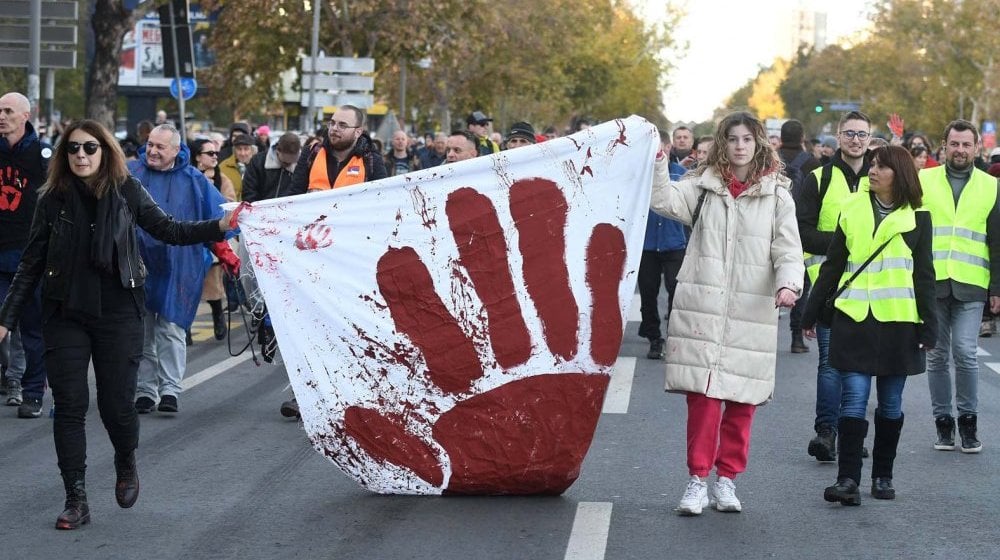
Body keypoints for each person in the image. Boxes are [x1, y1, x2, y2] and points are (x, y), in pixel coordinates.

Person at [0, 119, 236, 530]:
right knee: (69, 407)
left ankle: (125, 459)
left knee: (116, 406)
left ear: (104, 151)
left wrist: (217, 227)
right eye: (73, 149)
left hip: (119, 312)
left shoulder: (126, 191)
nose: (81, 156)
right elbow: (31, 263)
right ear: (63, 155)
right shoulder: (51, 198)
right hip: (65, 313)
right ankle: (76, 498)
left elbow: (169, 229)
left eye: (90, 148)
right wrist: (5, 319)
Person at [650, 111, 803, 515]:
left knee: (741, 401)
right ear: (722, 143)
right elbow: (662, 199)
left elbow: (788, 249)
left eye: (746, 139)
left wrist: (789, 283)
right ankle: (697, 480)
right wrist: (657, 165)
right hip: (703, 305)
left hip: (751, 309)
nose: (739, 146)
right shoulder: (701, 188)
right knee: (702, 398)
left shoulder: (777, 196)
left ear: (758, 144)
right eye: (732, 139)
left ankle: (727, 480)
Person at [802, 145, 937, 506]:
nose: (872, 171)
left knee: (890, 405)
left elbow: (924, 276)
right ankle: (847, 480)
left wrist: (929, 327)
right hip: (854, 318)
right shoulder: (852, 207)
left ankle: (882, 476)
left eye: (881, 166)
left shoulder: (918, 217)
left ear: (900, 174)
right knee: (854, 399)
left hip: (899, 322)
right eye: (872, 165)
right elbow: (833, 264)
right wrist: (811, 311)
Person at [128, 124, 239, 415]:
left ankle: (169, 389)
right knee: (142, 330)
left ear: (176, 150)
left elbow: (219, 218)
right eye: (150, 144)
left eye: (160, 147)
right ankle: (145, 389)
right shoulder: (131, 174)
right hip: (137, 262)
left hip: (179, 264)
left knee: (171, 327)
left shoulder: (193, 181)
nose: (152, 150)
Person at [796, 111, 872, 462]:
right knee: (829, 363)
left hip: (873, 289)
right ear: (837, 137)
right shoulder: (817, 179)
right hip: (827, 286)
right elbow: (803, 231)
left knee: (860, 364)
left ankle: (852, 432)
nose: (856, 140)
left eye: (862, 134)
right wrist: (845, 243)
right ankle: (826, 432)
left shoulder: (881, 176)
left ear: (870, 139)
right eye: (849, 133)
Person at [921, 119, 1000, 453]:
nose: (960, 150)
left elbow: (996, 241)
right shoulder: (924, 180)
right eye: (954, 144)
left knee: (966, 353)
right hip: (932, 282)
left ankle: (968, 423)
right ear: (944, 145)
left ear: (976, 149)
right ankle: (943, 425)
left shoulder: (991, 186)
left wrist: (996, 287)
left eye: (967, 145)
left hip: (971, 283)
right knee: (937, 357)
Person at [0, 91, 51, 418]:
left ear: (25, 115)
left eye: (7, 111)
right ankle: (10, 380)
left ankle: (33, 390)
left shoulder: (42, 154)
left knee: (33, 329)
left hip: (30, 255)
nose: (1, 116)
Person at [777, 119, 821, 353]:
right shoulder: (812, 163)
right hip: (800, 228)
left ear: (781, 137)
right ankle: (796, 336)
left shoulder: (770, 159)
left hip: (772, 226)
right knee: (800, 282)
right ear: (802, 137)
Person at [638, 156, 687, 360]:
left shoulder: (680, 173)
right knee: (648, 293)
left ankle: (674, 336)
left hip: (673, 242)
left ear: (667, 148)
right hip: (647, 244)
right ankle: (654, 338)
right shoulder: (639, 173)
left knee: (676, 292)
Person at [191, 138, 236, 341]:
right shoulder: (187, 177)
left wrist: (212, 194)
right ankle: (184, 330)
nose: (215, 156)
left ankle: (218, 316)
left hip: (212, 236)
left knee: (213, 284)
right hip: (188, 235)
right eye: (209, 153)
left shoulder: (221, 178)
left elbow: (230, 203)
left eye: (215, 153)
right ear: (198, 157)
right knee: (188, 285)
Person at [292, 105, 387, 195]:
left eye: (342, 125)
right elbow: (293, 196)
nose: (334, 128)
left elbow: (380, 199)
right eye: (332, 123)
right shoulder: (311, 153)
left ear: (358, 132)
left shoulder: (372, 160)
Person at [220, 134, 255, 201]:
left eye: (246, 149)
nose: (242, 153)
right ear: (234, 150)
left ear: (252, 150)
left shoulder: (258, 166)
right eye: (239, 149)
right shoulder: (223, 167)